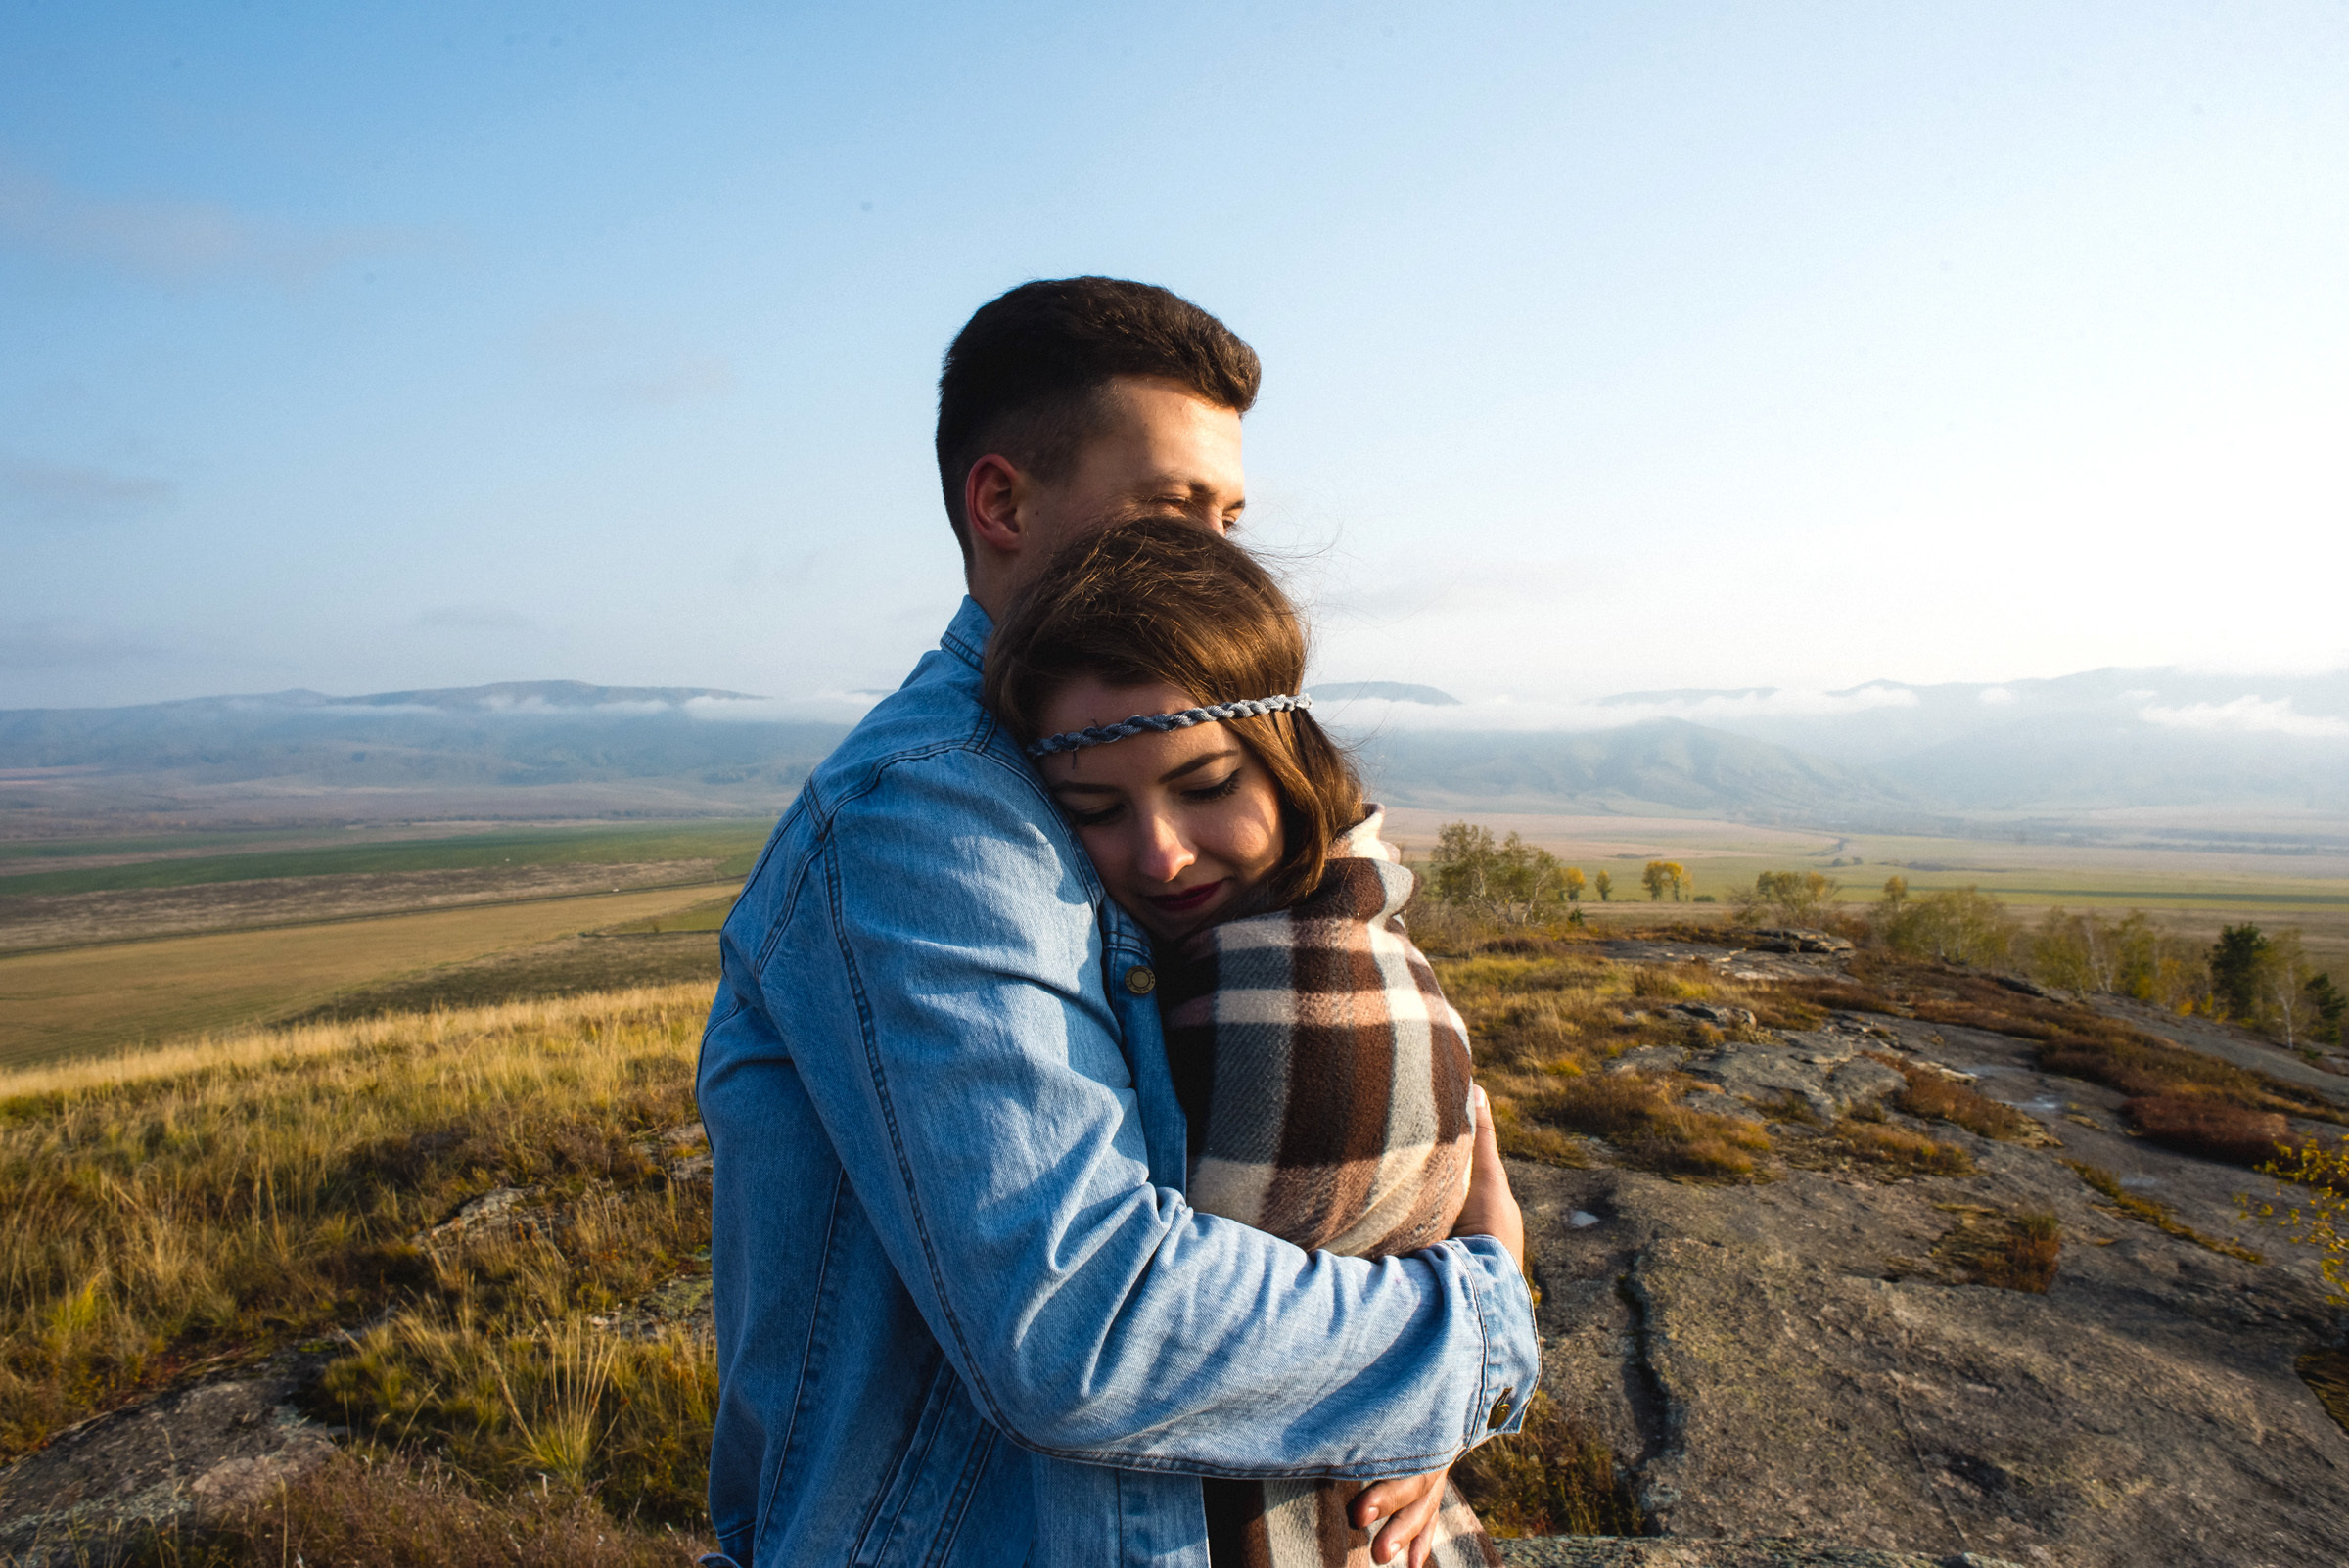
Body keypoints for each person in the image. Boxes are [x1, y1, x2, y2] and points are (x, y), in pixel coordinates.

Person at [697, 277, 1538, 1568]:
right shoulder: (931, 818)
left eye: (1232, 515)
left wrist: (1378, 1392)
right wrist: (1462, 1335)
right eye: (1169, 508)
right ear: (1002, 503)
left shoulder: (1112, 756)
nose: (1218, 554)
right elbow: (1078, 1321)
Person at [984, 517, 1505, 1568]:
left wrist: (1485, 1323)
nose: (1162, 854)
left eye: (1206, 786)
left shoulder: (1296, 996)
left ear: (1284, 757)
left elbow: (1130, 1344)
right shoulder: (1345, 915)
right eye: (1094, 808)